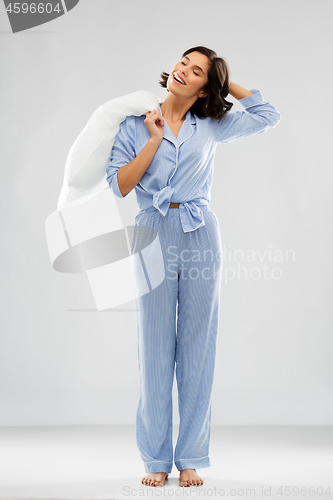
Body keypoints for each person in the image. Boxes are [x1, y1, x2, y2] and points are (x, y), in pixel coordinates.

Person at [106, 46, 281, 488]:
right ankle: (155, 459)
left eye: (197, 70)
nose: (184, 70)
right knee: (154, 346)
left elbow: (267, 115)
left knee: (198, 347)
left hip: (201, 231)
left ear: (206, 85)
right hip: (151, 230)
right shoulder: (135, 123)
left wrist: (227, 81)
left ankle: (191, 457)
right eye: (183, 62)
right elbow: (120, 185)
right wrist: (152, 140)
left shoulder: (213, 124)